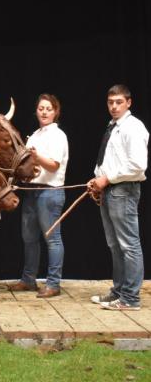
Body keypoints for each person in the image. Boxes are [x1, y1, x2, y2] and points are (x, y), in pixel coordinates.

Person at [88, 84, 148, 311]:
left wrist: (107, 178)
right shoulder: (113, 127)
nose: (114, 107)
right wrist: (97, 179)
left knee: (129, 245)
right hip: (110, 189)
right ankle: (119, 291)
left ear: (129, 102)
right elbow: (110, 159)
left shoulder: (134, 127)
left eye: (119, 102)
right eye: (110, 102)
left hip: (123, 190)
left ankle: (130, 299)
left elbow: (138, 165)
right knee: (115, 245)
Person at [9, 94, 69, 298]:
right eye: (41, 108)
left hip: (49, 193)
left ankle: (53, 284)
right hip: (32, 192)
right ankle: (28, 280)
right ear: (36, 111)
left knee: (52, 239)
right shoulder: (34, 135)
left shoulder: (58, 135)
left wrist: (35, 156)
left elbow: (54, 165)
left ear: (56, 112)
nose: (44, 112)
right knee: (29, 238)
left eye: (48, 108)